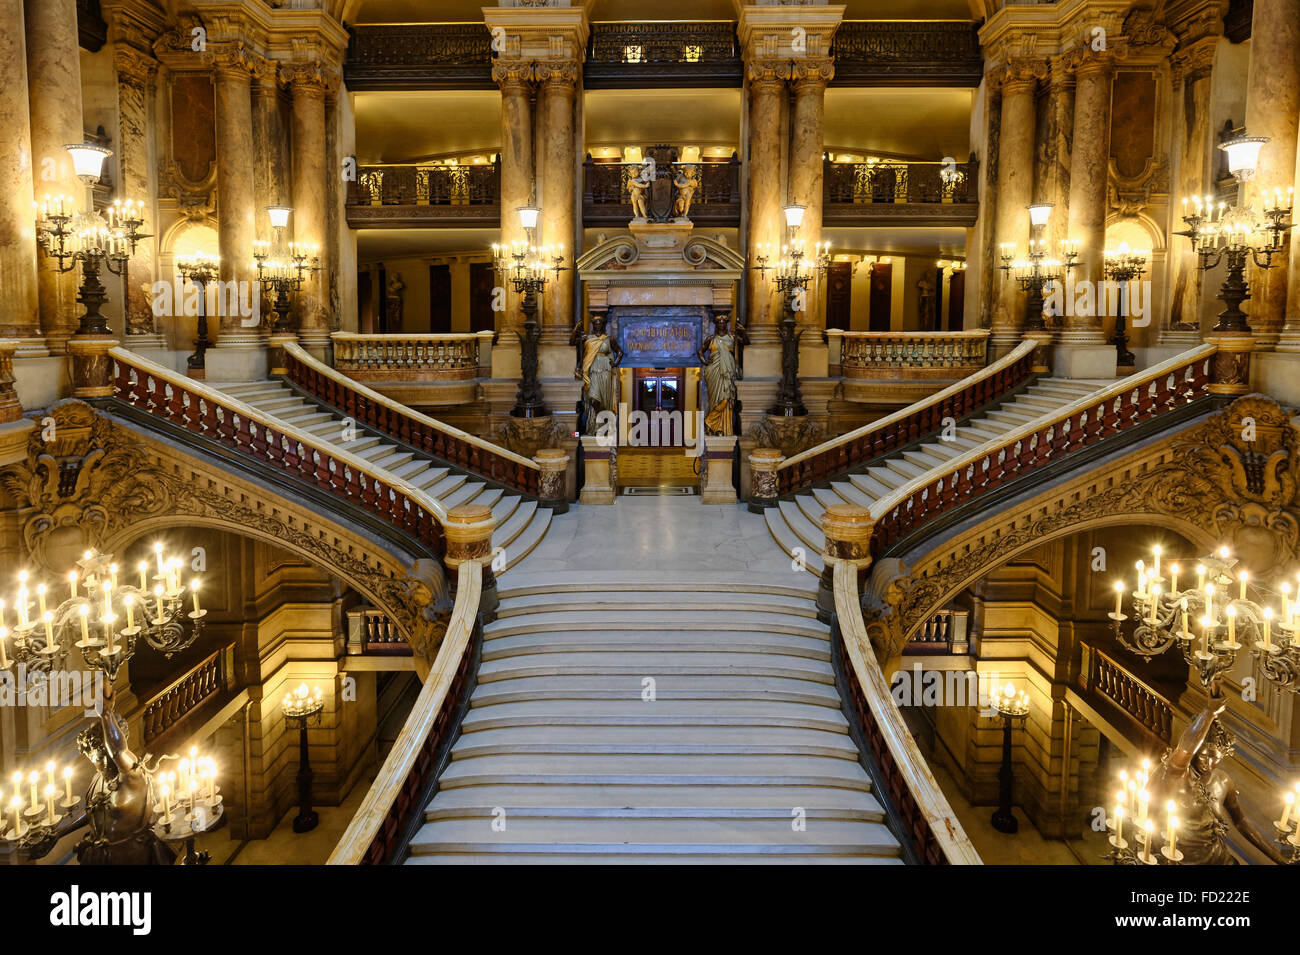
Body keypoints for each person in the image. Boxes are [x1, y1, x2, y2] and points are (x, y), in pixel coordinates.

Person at [21, 678, 176, 865]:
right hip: (100, 858)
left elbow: (118, 750)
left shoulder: (132, 777)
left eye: (95, 753)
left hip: (132, 857)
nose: (94, 761)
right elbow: (95, 810)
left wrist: (106, 715)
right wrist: (59, 833)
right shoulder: (98, 780)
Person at [1147, 697, 1289, 865]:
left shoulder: (1223, 781)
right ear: (1195, 753)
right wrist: (1209, 712)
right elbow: (1184, 748)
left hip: (1217, 857)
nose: (1209, 764)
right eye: (1204, 756)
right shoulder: (1177, 777)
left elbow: (1241, 821)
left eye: (1215, 758)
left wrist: (1279, 859)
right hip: (1179, 859)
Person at [571, 314, 623, 434]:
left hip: (605, 371)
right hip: (592, 369)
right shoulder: (587, 338)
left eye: (600, 323)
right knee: (593, 399)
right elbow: (572, 342)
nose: (598, 325)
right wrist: (575, 330)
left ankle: (602, 425)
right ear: (593, 325)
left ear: (603, 325)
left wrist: (615, 363)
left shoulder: (608, 338)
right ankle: (601, 420)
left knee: (604, 399)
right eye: (595, 323)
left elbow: (620, 352)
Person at [698, 313, 747, 436]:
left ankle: (709, 421)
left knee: (725, 400)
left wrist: (743, 332)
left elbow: (746, 342)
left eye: (723, 323)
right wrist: (705, 361)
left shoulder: (732, 337)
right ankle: (717, 427)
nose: (721, 325)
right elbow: (700, 351)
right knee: (714, 400)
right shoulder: (711, 339)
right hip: (713, 372)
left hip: (727, 373)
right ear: (716, 325)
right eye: (719, 323)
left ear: (726, 324)